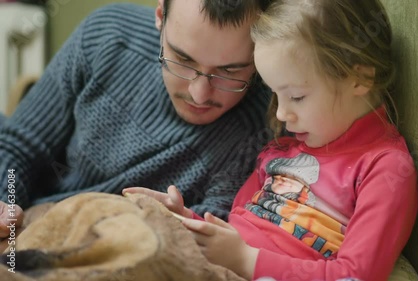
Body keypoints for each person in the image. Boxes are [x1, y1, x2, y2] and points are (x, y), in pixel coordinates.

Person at [124, 0, 418, 280]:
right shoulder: (279, 151)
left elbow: (355, 276)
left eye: (297, 97)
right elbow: (236, 232)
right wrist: (186, 220)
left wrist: (244, 260)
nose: (281, 113)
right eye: (275, 95)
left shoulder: (384, 168)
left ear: (359, 79)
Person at [0, 0, 274, 239]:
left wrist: (184, 222)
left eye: (229, 71)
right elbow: (19, 147)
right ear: (160, 15)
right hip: (34, 217)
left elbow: (215, 231)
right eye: (182, 59)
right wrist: (5, 202)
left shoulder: (265, 123)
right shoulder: (108, 37)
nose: (199, 95)